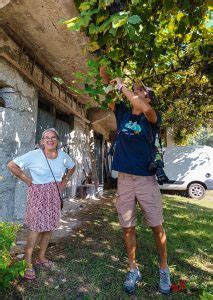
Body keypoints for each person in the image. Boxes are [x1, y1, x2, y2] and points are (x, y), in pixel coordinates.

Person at [100, 66, 171, 294]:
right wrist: (104, 68)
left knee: (155, 225)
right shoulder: (122, 113)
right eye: (135, 89)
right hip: (125, 180)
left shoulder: (151, 117)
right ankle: (133, 268)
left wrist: (123, 86)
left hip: (146, 179)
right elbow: (109, 92)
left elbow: (142, 106)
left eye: (140, 90)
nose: (135, 92)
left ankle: (163, 268)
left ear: (147, 97)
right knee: (127, 227)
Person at [7, 128, 75, 280]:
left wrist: (64, 181)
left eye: (53, 137)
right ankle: (27, 262)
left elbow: (72, 166)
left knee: (49, 226)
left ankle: (41, 257)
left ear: (57, 140)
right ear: (42, 141)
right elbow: (11, 165)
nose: (50, 140)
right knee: (37, 227)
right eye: (46, 138)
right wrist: (27, 180)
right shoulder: (34, 155)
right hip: (38, 194)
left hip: (54, 194)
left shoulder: (63, 156)